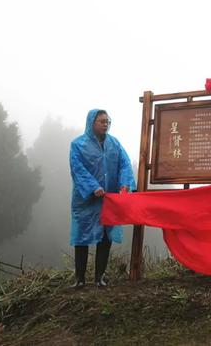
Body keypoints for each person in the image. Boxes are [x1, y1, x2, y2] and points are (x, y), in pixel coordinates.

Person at [69, 109, 135, 288]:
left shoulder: (114, 144)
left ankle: (99, 277)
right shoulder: (78, 145)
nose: (105, 124)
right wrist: (93, 187)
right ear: (92, 123)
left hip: (109, 199)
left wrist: (125, 184)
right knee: (82, 237)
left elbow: (125, 165)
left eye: (107, 121)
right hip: (86, 201)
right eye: (102, 121)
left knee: (106, 236)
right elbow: (77, 168)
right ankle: (80, 279)